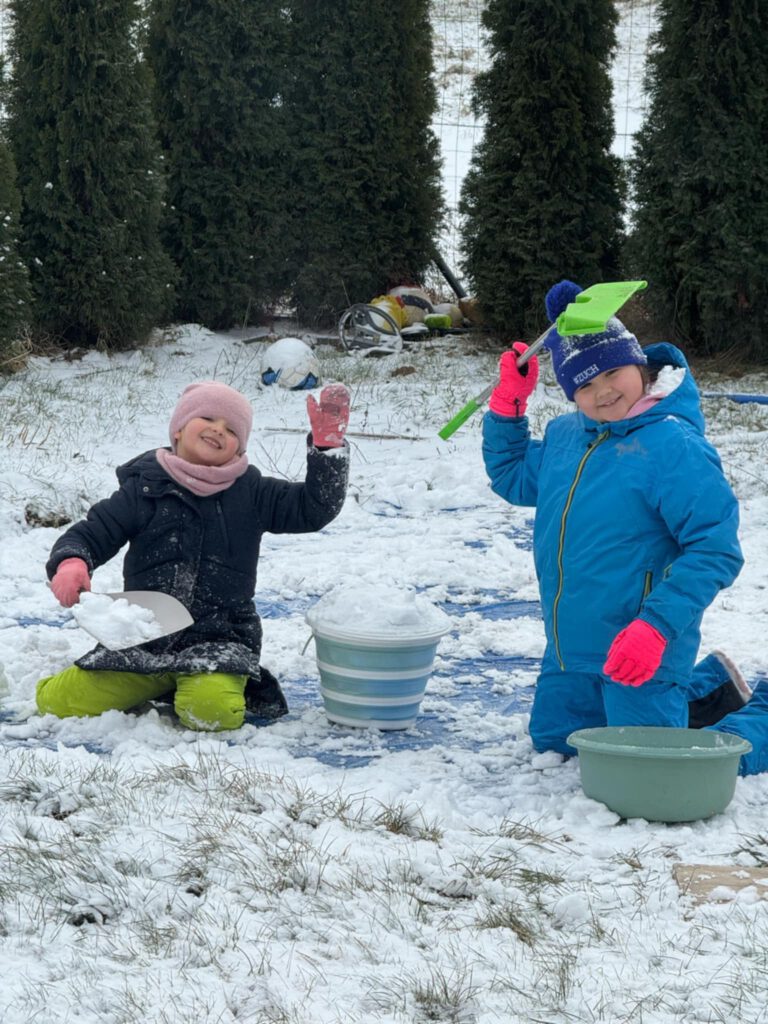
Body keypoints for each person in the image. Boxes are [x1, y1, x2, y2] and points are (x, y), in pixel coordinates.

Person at [482, 279, 744, 756]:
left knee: (649, 766)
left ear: (639, 365)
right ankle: (708, 687)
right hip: (569, 650)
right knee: (555, 748)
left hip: (642, 649)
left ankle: (751, 719)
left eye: (613, 372)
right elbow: (513, 476)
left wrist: (655, 628)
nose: (602, 392)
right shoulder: (566, 435)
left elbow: (715, 548)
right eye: (584, 384)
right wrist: (509, 406)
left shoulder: (672, 446)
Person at [37, 379, 350, 732]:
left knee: (211, 711)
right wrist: (72, 562)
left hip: (220, 641)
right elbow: (93, 532)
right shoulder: (142, 490)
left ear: (238, 449)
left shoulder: (254, 493)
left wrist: (327, 452)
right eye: (208, 419)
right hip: (145, 639)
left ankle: (196, 684)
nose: (219, 430)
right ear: (179, 430)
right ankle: (159, 680)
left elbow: (313, 509)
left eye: (232, 429)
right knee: (56, 703)